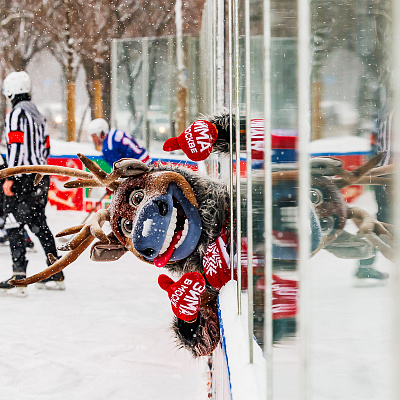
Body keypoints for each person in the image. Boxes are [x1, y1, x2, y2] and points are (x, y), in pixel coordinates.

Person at [0, 71, 64, 296]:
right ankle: (56, 272)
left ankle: (19, 276)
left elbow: (16, 149)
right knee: (39, 223)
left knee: (12, 221)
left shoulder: (16, 114)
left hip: (22, 177)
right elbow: (46, 147)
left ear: (10, 91)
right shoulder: (38, 114)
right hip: (41, 176)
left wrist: (9, 177)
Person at [354, 110, 393, 285]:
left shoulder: (385, 111)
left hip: (385, 175)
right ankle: (365, 263)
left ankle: (365, 263)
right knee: (385, 220)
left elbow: (374, 142)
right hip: (390, 176)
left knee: (384, 219)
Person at [87, 118, 151, 167]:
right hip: (146, 161)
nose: (93, 139)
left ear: (101, 133)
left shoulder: (108, 148)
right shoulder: (113, 133)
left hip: (140, 167)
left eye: (94, 136)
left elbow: (119, 171)